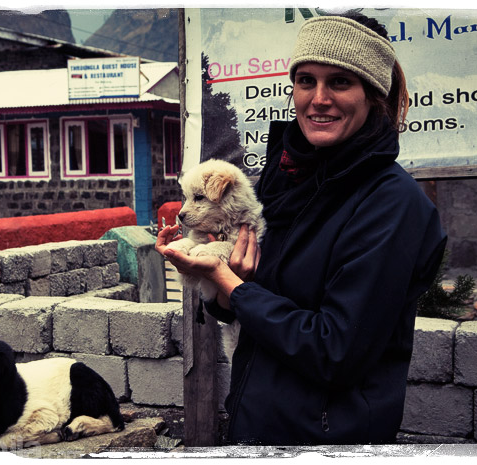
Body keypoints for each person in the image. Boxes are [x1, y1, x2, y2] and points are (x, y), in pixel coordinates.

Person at [156, 12, 447, 445]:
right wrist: (224, 286)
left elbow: (336, 351)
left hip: (329, 437)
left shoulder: (392, 204)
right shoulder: (286, 177)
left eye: (341, 82)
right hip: (257, 425)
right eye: (306, 80)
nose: (318, 98)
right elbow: (259, 299)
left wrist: (233, 287)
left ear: (373, 95)